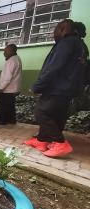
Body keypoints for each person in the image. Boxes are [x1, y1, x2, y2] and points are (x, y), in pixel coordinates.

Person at [24, 19, 88, 158]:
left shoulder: (67, 43)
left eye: (56, 29)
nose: (53, 33)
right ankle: (42, 140)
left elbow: (54, 67)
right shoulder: (81, 46)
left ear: (64, 29)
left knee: (42, 112)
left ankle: (60, 143)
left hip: (58, 87)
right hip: (69, 87)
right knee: (56, 114)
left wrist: (38, 86)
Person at [0, 44, 22, 125]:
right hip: (12, 88)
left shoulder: (11, 61)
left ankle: (2, 120)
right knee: (10, 105)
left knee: (4, 105)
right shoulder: (16, 59)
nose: (3, 52)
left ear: (11, 51)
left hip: (8, 88)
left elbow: (7, 77)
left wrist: (1, 87)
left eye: (5, 50)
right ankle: (11, 120)